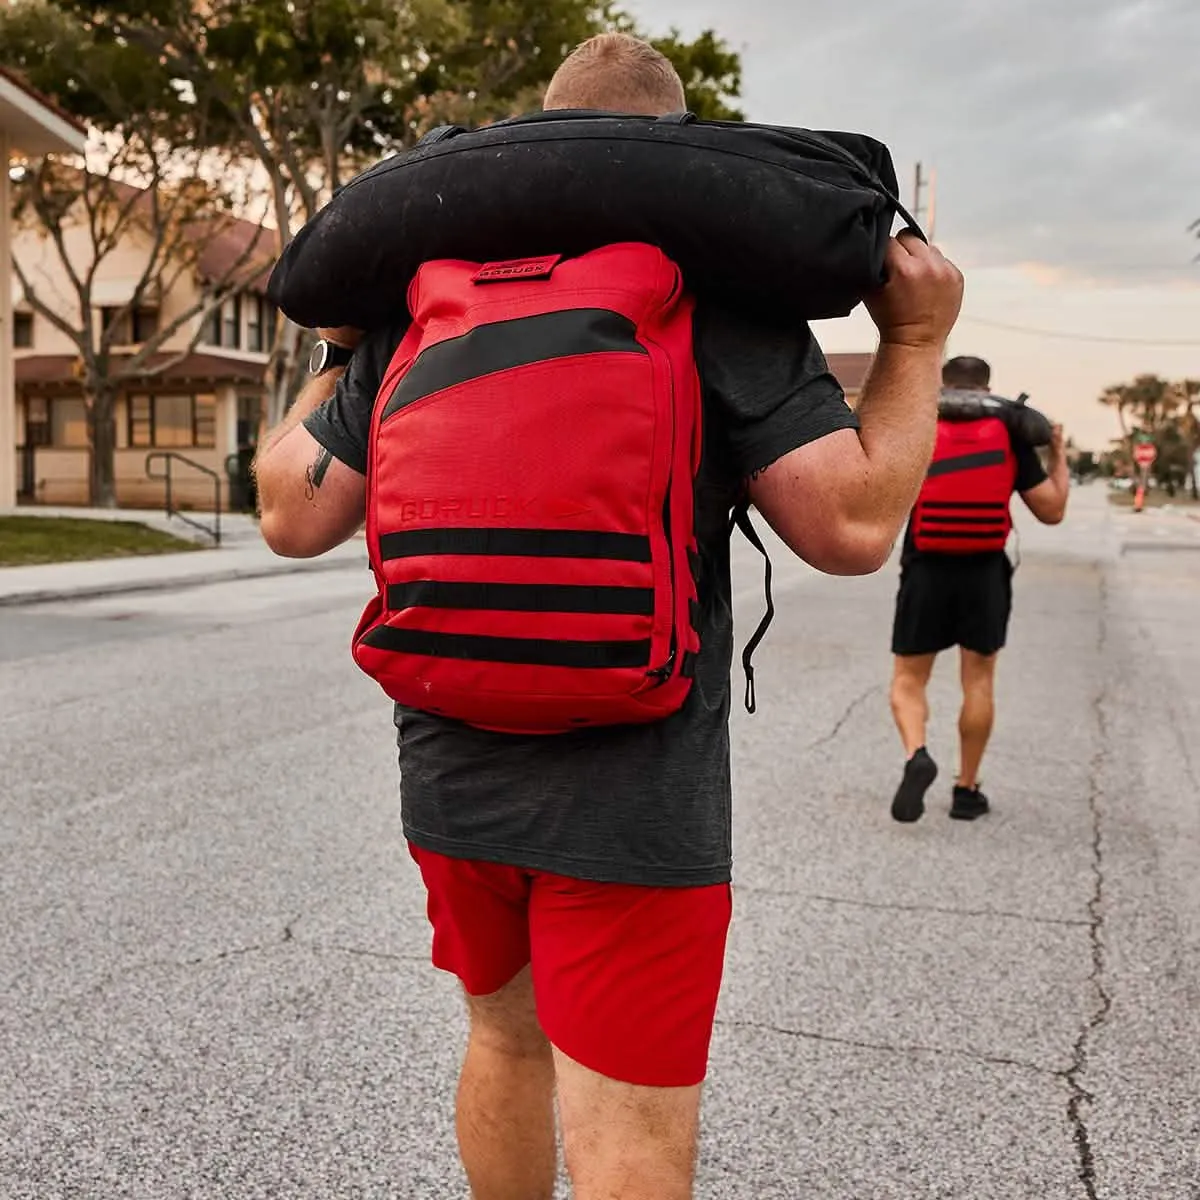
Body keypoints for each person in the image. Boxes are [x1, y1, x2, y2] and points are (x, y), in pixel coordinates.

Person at [254, 32, 963, 1200]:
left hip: (450, 760)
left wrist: (338, 357)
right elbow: (847, 528)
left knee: (500, 1040)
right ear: (675, 147)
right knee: (626, 1118)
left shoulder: (424, 305)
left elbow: (289, 513)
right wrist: (918, 339)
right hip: (638, 786)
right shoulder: (715, 298)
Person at [888, 355, 1069, 824]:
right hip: (985, 572)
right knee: (979, 680)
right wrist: (1061, 457)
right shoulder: (1008, 430)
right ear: (987, 387)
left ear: (945, 385)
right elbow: (1051, 510)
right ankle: (967, 791)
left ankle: (916, 755)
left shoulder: (923, 424)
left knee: (909, 679)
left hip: (926, 567)